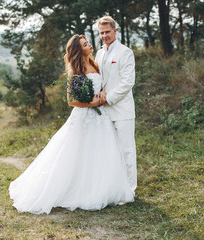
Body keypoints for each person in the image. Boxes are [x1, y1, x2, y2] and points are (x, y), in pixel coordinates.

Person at [8, 34, 134, 214]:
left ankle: (102, 187)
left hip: (101, 117)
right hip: (84, 116)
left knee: (100, 152)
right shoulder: (75, 70)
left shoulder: (95, 63)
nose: (89, 45)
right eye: (85, 44)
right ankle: (74, 189)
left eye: (88, 42)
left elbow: (102, 85)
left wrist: (102, 97)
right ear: (78, 50)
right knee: (76, 153)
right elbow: (71, 100)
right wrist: (91, 103)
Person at [95, 16, 137, 191]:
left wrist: (108, 98)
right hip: (103, 111)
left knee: (126, 150)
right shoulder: (99, 53)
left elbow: (128, 82)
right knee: (110, 151)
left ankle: (129, 188)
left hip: (122, 110)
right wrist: (98, 96)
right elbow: (99, 79)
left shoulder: (125, 52)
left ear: (115, 31)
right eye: (101, 32)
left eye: (107, 32)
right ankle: (114, 187)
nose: (104, 35)